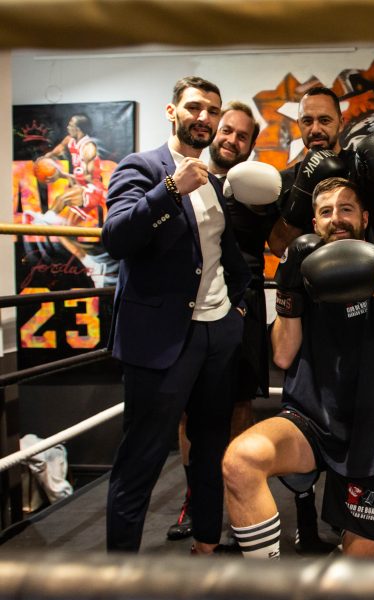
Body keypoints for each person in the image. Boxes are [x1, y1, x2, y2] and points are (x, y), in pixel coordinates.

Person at [222, 177, 374, 559]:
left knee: (358, 577)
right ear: (315, 223)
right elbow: (282, 355)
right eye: (326, 212)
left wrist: (368, 269)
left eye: (345, 209)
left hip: (369, 431)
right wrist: (289, 286)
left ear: (364, 217)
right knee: (240, 461)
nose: (336, 219)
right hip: (309, 418)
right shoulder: (305, 277)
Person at [102, 76, 251, 554]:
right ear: (173, 112)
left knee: (210, 447)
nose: (204, 117)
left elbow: (226, 255)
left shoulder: (214, 180)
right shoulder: (142, 167)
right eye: (194, 108)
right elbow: (117, 239)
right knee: (141, 459)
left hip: (216, 335)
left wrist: (237, 309)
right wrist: (169, 188)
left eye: (212, 109)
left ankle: (207, 540)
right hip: (162, 340)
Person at [164, 101, 313, 547]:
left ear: (251, 144)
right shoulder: (188, 177)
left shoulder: (261, 186)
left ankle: (236, 496)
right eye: (226, 130)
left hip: (242, 302)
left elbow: (284, 244)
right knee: (191, 409)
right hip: (192, 302)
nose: (231, 139)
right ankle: (196, 498)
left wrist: (295, 196)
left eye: (242, 135)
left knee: (240, 405)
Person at [271, 87, 374, 254]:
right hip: (306, 278)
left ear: (341, 123)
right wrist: (301, 192)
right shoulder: (285, 180)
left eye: (324, 120)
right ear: (299, 124)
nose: (315, 129)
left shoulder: (364, 168)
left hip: (362, 273)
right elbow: (279, 247)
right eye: (307, 121)